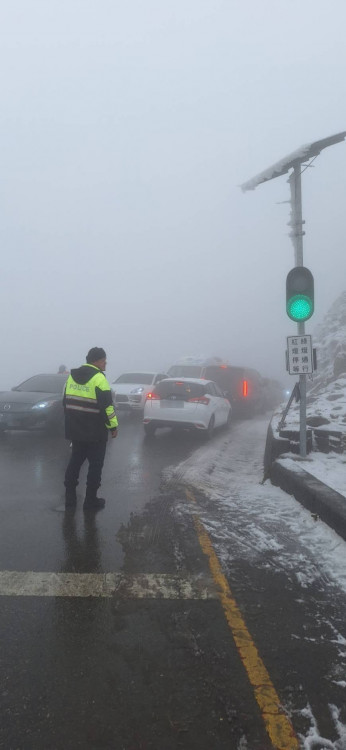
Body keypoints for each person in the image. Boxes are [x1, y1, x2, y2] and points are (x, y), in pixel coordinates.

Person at [63, 347, 118, 511]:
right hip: (95, 433)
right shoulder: (99, 379)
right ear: (96, 361)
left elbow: (65, 402)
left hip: (76, 431)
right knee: (95, 467)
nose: (105, 363)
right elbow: (107, 407)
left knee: (74, 463)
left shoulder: (71, 377)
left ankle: (70, 500)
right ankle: (90, 501)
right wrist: (113, 427)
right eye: (103, 360)